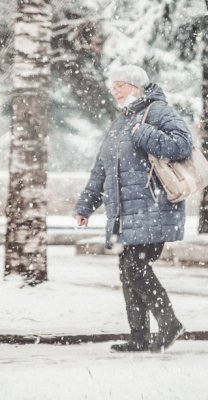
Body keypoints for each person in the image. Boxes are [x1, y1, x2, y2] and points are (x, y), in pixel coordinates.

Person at [73, 65, 193, 352]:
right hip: (126, 215)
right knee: (128, 271)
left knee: (135, 269)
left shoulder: (157, 111)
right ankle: (139, 337)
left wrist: (144, 133)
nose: (114, 90)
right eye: (112, 85)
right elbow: (101, 170)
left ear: (137, 86)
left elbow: (183, 144)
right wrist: (85, 206)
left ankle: (170, 325)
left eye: (120, 85)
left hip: (152, 208)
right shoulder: (121, 122)